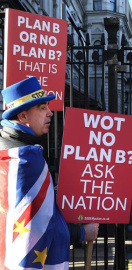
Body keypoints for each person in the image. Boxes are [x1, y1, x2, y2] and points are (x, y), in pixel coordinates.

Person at [0, 76, 99, 270]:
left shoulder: (6, 152)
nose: (51, 113)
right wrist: (82, 233)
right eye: (42, 108)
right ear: (23, 117)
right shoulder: (27, 159)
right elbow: (38, 228)